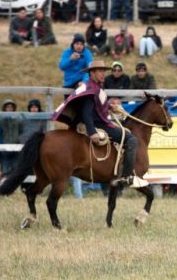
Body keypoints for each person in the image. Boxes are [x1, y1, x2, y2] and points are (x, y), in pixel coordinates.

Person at [52, 60, 146, 188]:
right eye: (100, 71)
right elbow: (86, 112)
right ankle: (127, 176)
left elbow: (97, 107)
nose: (103, 74)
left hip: (101, 121)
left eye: (104, 71)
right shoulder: (90, 89)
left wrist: (109, 106)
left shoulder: (95, 86)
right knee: (131, 139)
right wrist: (92, 132)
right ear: (92, 73)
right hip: (100, 125)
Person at [0, 99, 22, 173]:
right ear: (4, 108)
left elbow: (21, 131)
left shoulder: (18, 119)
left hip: (16, 147)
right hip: (4, 148)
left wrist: (19, 141)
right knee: (4, 170)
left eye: (11, 107)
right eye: (8, 107)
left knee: (15, 171)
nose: (10, 108)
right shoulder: (0, 119)